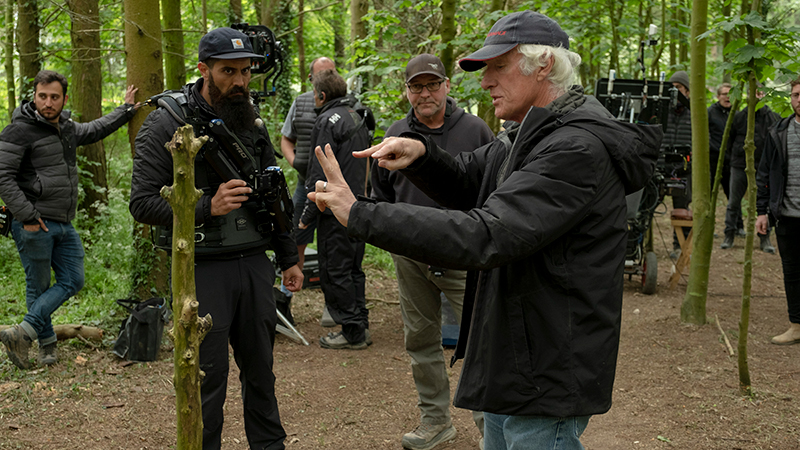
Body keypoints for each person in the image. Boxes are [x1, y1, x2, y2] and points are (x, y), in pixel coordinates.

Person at [306, 11, 660, 450]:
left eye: (498, 67)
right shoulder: (527, 133)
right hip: (514, 355)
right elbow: (472, 176)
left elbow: (486, 234)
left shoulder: (574, 147)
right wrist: (421, 155)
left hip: (546, 367)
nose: (486, 81)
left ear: (543, 65)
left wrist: (360, 213)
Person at [129, 27, 303, 450]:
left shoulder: (250, 117)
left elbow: (272, 194)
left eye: (246, 71)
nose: (240, 81)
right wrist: (206, 205)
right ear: (204, 69)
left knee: (261, 373)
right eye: (229, 71)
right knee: (206, 379)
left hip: (254, 266)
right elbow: (141, 203)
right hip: (201, 270)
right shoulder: (166, 123)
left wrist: (289, 256)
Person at [370, 53, 494, 450]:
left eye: (432, 85)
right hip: (410, 256)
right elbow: (381, 196)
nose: (425, 93)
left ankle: (491, 426)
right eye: (416, 86)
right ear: (406, 91)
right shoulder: (394, 133)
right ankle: (435, 420)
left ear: (447, 86)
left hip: (463, 255)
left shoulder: (476, 130)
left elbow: (494, 191)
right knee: (420, 340)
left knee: (481, 338)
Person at [0, 70, 141, 370]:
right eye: (42, 96)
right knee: (38, 286)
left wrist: (126, 110)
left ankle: (22, 333)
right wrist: (26, 215)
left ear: (64, 98)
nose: (48, 103)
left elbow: (94, 129)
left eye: (54, 97)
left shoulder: (65, 127)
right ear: (34, 96)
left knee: (74, 279)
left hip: (63, 221)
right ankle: (46, 346)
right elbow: (3, 176)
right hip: (33, 222)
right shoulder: (19, 130)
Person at [298, 69, 371, 350]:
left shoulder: (327, 121)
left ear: (322, 95)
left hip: (335, 211)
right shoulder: (356, 116)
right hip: (359, 207)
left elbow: (318, 171)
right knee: (354, 268)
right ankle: (360, 324)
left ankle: (352, 331)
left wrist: (306, 216)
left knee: (336, 270)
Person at [280, 57, 336, 311]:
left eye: (330, 73)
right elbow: (285, 139)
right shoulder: (300, 102)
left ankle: (334, 305)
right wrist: (295, 163)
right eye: (320, 74)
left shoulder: (346, 106)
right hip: (305, 185)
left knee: (333, 243)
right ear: (311, 78)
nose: (324, 78)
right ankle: (284, 300)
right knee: (295, 239)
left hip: (336, 189)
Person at [757, 77, 800, 345]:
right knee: (792, 273)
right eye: (796, 95)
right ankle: (796, 325)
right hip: (788, 216)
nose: (799, 99)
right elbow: (764, 174)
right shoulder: (779, 132)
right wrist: (762, 211)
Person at [722, 87, 780, 252]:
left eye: (759, 93)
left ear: (764, 95)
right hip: (739, 166)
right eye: (753, 92)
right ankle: (729, 234)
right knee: (733, 202)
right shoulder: (739, 117)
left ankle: (765, 238)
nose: (756, 96)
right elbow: (729, 141)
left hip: (764, 170)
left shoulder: (773, 118)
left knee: (765, 204)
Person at [663, 70, 692, 259]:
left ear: (687, 91)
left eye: (679, 88)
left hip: (683, 170)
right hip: (660, 168)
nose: (675, 92)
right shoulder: (661, 111)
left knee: (682, 208)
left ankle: (680, 246)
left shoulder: (694, 115)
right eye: (672, 88)